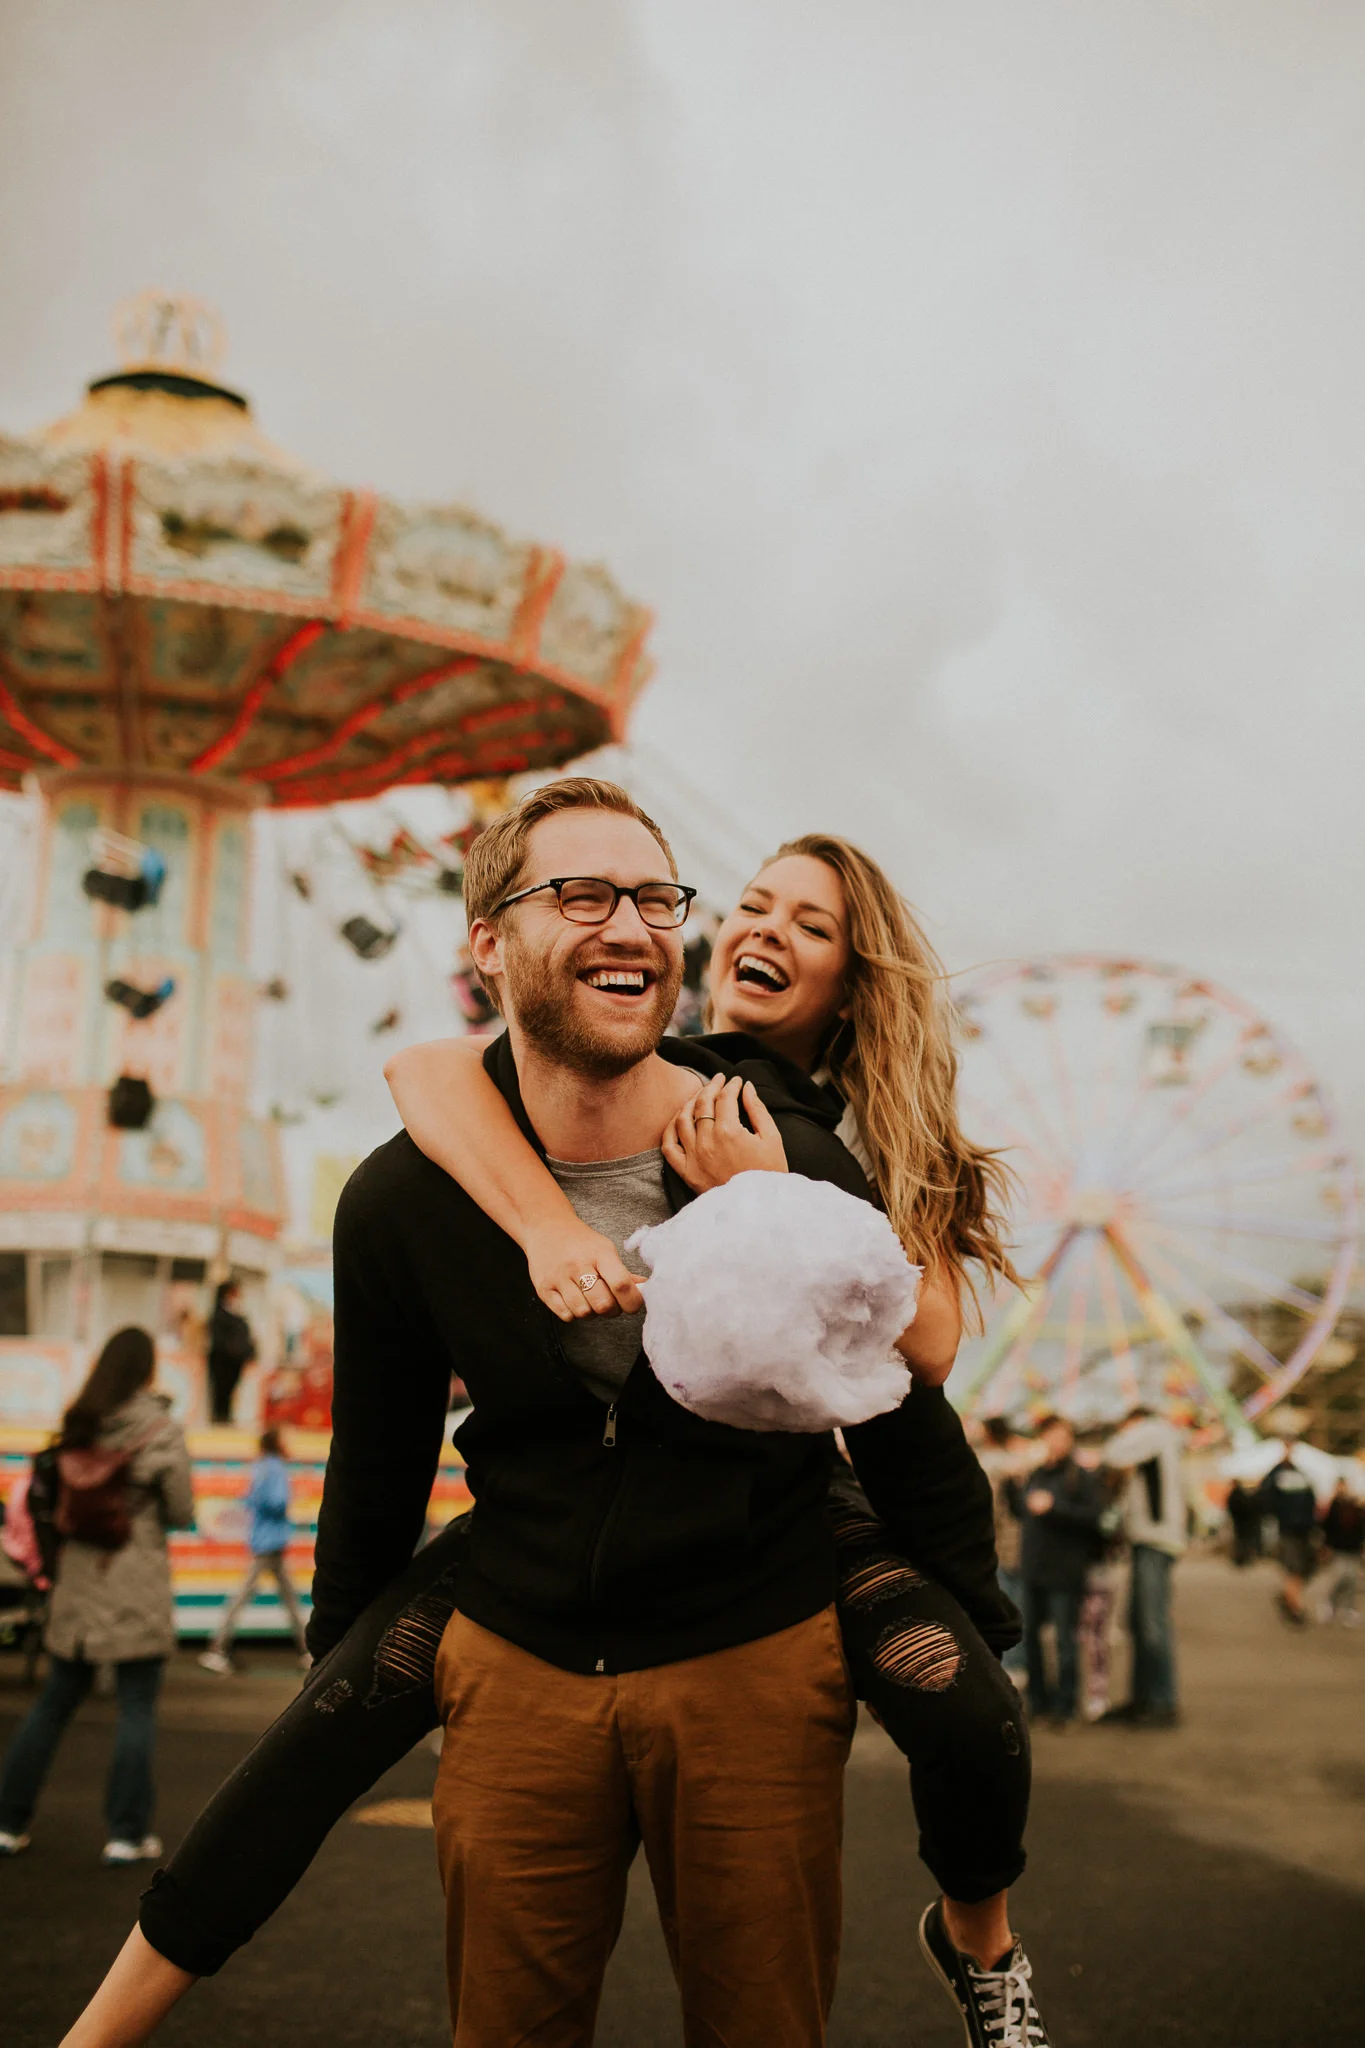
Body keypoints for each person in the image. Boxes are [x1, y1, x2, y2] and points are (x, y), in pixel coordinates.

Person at [59, 787, 1048, 2048]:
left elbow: (917, 1371)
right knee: (307, 1788)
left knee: (956, 1734)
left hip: (761, 1580)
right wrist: (339, 1660)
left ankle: (983, 1944)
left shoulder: (779, 1136)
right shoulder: (414, 1186)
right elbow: (378, 1443)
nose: (634, 923)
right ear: (486, 940)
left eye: (653, 897)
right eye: (585, 893)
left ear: (855, 983)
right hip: (529, 1591)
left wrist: (972, 1599)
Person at [0, 1327, 193, 1865]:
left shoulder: (78, 1421)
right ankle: (125, 1836)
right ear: (147, 1370)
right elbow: (180, 1511)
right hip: (135, 1581)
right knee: (135, 1708)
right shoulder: (160, 1429)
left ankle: (7, 1823)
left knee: (55, 1702)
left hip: (77, 1582)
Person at [1010, 1414, 1104, 1728]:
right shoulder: (1036, 1473)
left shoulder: (1081, 1477)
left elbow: (1094, 1518)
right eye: (1051, 1436)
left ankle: (1066, 1703)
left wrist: (1054, 1507)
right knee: (1030, 1640)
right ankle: (1039, 1701)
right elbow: (1020, 1511)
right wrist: (1013, 1484)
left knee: (1065, 1640)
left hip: (1065, 1571)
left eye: (1062, 1436)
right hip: (1033, 1568)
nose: (1056, 1442)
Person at [1100, 1407, 1187, 1727]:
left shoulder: (1155, 1432)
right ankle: (1142, 1699)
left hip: (1155, 1542)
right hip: (1147, 1542)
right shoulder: (1156, 1442)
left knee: (1152, 1624)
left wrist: (1123, 1435)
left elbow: (1113, 1453)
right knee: (1138, 1622)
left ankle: (1162, 1702)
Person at [198, 1429, 310, 1673]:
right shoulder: (277, 1468)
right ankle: (217, 1648)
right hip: (273, 1541)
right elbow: (278, 1502)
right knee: (253, 1594)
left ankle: (307, 1650)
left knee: (286, 1597)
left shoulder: (260, 1467)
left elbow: (251, 1499)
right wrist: (293, 1502)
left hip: (262, 1538)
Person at [977, 1415, 1032, 1685]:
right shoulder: (1018, 1462)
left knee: (1004, 1604)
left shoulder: (987, 1464)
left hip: (997, 1545)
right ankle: (1018, 1663)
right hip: (1018, 1544)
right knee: (1016, 1603)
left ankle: (1012, 1663)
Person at [1256, 1447, 1319, 1626]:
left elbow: (1264, 1499)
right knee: (1296, 1569)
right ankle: (1294, 1605)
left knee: (1299, 1570)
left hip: (1296, 1530)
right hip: (1292, 1531)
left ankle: (1289, 1599)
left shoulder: (1288, 1476)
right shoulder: (1290, 1476)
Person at [206, 1280, 255, 1428]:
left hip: (235, 1364)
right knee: (221, 1395)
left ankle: (225, 1419)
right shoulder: (219, 1315)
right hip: (223, 1364)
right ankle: (219, 1421)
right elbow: (220, 1342)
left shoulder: (238, 1314)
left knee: (231, 1395)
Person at [1316, 1476, 1363, 1626]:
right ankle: (1330, 1603)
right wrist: (1326, 1546)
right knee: (1341, 1577)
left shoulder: (1356, 1507)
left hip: (1353, 1548)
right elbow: (1328, 1528)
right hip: (1339, 1548)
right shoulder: (1334, 1506)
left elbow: (1361, 1529)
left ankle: (1347, 1608)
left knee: (1352, 1579)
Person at [1224, 1478, 1264, 1568]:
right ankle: (1243, 1559)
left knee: (1242, 1541)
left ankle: (1242, 1559)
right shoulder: (1241, 1495)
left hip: (1241, 1523)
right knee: (1244, 1541)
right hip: (1244, 1523)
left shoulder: (1236, 1495)